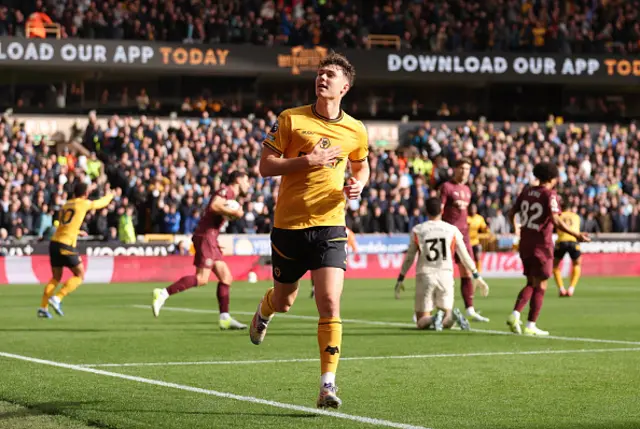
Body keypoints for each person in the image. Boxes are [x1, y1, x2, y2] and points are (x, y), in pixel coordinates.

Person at [249, 52, 369, 409]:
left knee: (329, 301)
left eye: (330, 74)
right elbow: (265, 167)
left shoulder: (356, 129)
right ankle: (265, 309)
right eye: (320, 73)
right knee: (285, 300)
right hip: (288, 226)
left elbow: (361, 166)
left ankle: (327, 385)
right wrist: (307, 161)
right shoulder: (290, 119)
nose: (322, 78)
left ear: (344, 87)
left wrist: (358, 184)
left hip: (331, 224)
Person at [151, 171, 250, 330]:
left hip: (211, 238)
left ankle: (224, 318)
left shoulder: (231, 196)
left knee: (226, 277)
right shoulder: (226, 191)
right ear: (238, 180)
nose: (249, 184)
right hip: (206, 237)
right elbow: (214, 205)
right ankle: (162, 293)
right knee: (202, 278)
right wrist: (234, 212)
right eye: (246, 180)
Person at [506, 163, 589, 336]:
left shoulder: (526, 191)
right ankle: (530, 325)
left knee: (531, 282)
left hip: (525, 243)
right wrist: (576, 234)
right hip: (541, 246)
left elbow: (511, 212)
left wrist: (515, 228)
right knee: (541, 284)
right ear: (553, 178)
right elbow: (556, 220)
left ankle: (515, 314)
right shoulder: (550, 194)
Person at [394, 197, 489, 331]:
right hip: (445, 275)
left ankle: (433, 318)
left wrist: (401, 277)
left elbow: (410, 257)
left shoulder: (418, 230)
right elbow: (464, 255)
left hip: (425, 275)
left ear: (426, 211)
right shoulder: (452, 230)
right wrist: (476, 275)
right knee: (447, 319)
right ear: (443, 210)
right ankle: (453, 317)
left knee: (421, 321)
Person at [39, 182, 114, 318]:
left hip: (54, 243)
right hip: (66, 244)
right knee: (79, 275)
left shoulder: (66, 204)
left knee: (56, 277)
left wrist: (77, 231)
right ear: (85, 194)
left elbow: (65, 224)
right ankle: (57, 298)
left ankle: (43, 307)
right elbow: (99, 204)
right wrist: (111, 195)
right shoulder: (83, 203)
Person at [440, 158, 489, 322]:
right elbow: (439, 210)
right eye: (461, 168)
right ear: (455, 169)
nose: (464, 172)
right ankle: (431, 308)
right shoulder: (447, 187)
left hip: (464, 236)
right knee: (441, 272)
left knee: (467, 271)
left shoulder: (467, 189)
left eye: (467, 169)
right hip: (447, 235)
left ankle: (470, 309)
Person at [310, 226, 357, 298]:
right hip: (337, 253)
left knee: (316, 270)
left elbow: (353, 246)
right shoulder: (347, 231)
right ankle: (330, 290)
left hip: (331, 251)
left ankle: (316, 288)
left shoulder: (338, 229)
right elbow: (354, 247)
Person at [552, 203, 582, 297]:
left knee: (555, 265)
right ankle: (571, 288)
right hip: (573, 241)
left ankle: (561, 289)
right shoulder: (576, 216)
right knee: (576, 264)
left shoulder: (559, 216)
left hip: (561, 241)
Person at [467, 203, 488, 273]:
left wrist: (487, 229)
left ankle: (479, 273)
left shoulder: (479, 218)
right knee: (468, 259)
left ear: (476, 210)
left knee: (478, 255)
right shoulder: (466, 218)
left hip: (475, 241)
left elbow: (484, 228)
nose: (472, 210)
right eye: (471, 208)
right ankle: (468, 272)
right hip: (466, 242)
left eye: (474, 208)